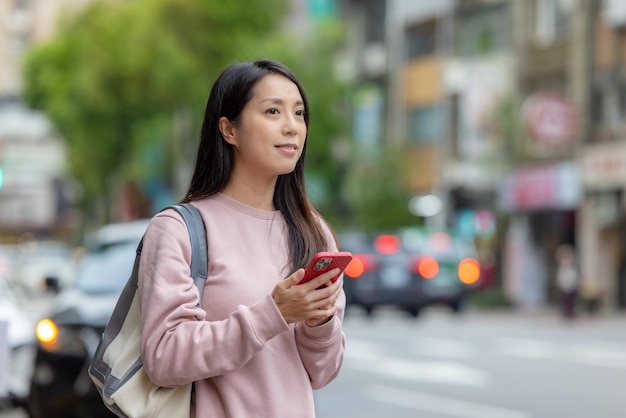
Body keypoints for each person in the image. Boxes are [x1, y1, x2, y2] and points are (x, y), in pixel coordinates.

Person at [137, 59, 346, 418]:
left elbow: (322, 372)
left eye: (299, 113)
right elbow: (163, 357)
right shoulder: (180, 229)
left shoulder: (314, 232)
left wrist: (319, 322)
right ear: (229, 130)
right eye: (272, 111)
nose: (292, 127)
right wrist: (274, 313)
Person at [555, 243, 578, 320]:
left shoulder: (571, 264)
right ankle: (566, 312)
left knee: (570, 298)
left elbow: (572, 274)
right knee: (565, 299)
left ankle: (570, 312)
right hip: (565, 282)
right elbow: (561, 274)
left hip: (570, 282)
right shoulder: (563, 265)